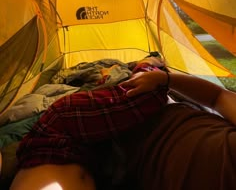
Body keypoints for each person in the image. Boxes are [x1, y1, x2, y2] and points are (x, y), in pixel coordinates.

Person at [10, 56, 236, 189]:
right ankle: (150, 61)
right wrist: (163, 77)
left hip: (110, 148)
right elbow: (219, 97)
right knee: (144, 83)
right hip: (145, 102)